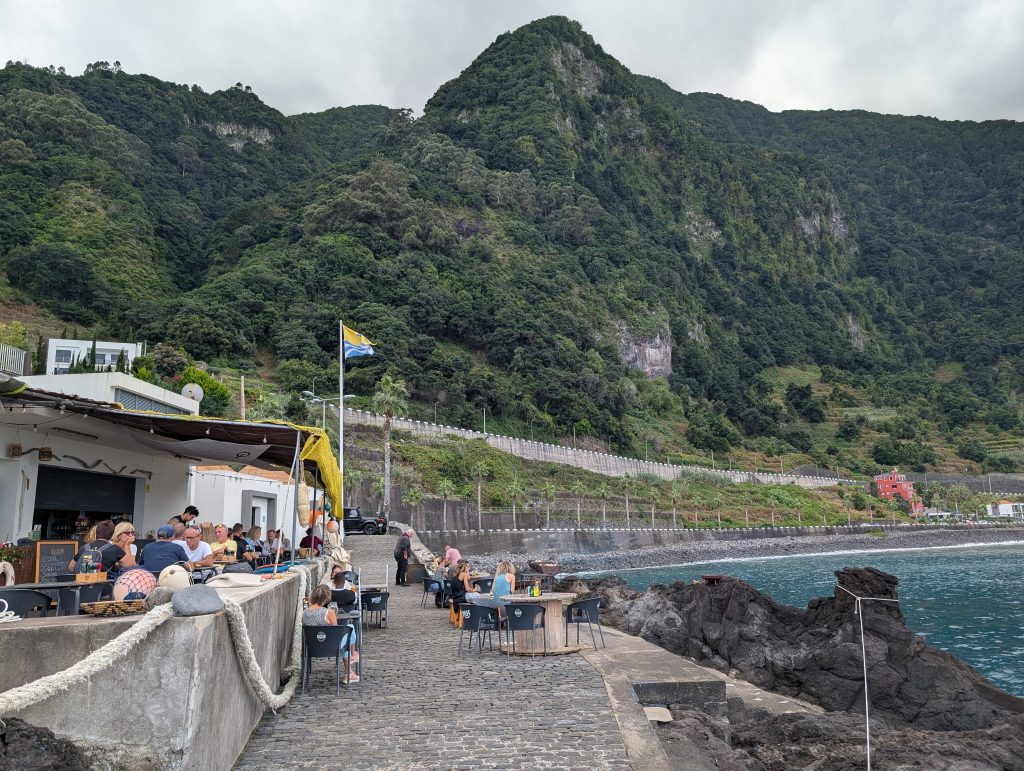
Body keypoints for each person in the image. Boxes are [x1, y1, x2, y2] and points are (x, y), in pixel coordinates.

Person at [302, 585, 359, 683]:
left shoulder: (305, 612)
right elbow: (336, 633)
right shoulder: (329, 612)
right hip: (330, 647)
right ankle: (351, 661)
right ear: (327, 598)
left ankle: (351, 667)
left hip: (311, 647)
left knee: (347, 634)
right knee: (350, 628)